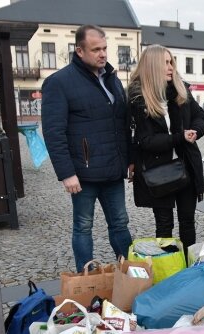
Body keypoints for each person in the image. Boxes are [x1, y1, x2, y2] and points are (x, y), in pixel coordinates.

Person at [42, 24, 134, 273]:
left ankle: (131, 275)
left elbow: (122, 124)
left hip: (113, 170)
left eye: (105, 48)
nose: (103, 54)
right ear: (80, 51)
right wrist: (66, 173)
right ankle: (86, 279)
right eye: (96, 49)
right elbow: (53, 132)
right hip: (83, 174)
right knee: (83, 226)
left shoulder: (112, 79)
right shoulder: (59, 82)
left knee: (120, 224)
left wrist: (129, 160)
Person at [128, 45, 204, 252]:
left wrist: (195, 132)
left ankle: (189, 269)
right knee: (164, 226)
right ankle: (169, 271)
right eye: (165, 62)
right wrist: (179, 137)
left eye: (171, 61)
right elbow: (146, 141)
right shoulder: (139, 99)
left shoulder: (180, 91)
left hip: (186, 167)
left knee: (188, 222)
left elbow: (201, 117)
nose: (170, 67)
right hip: (158, 170)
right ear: (153, 66)